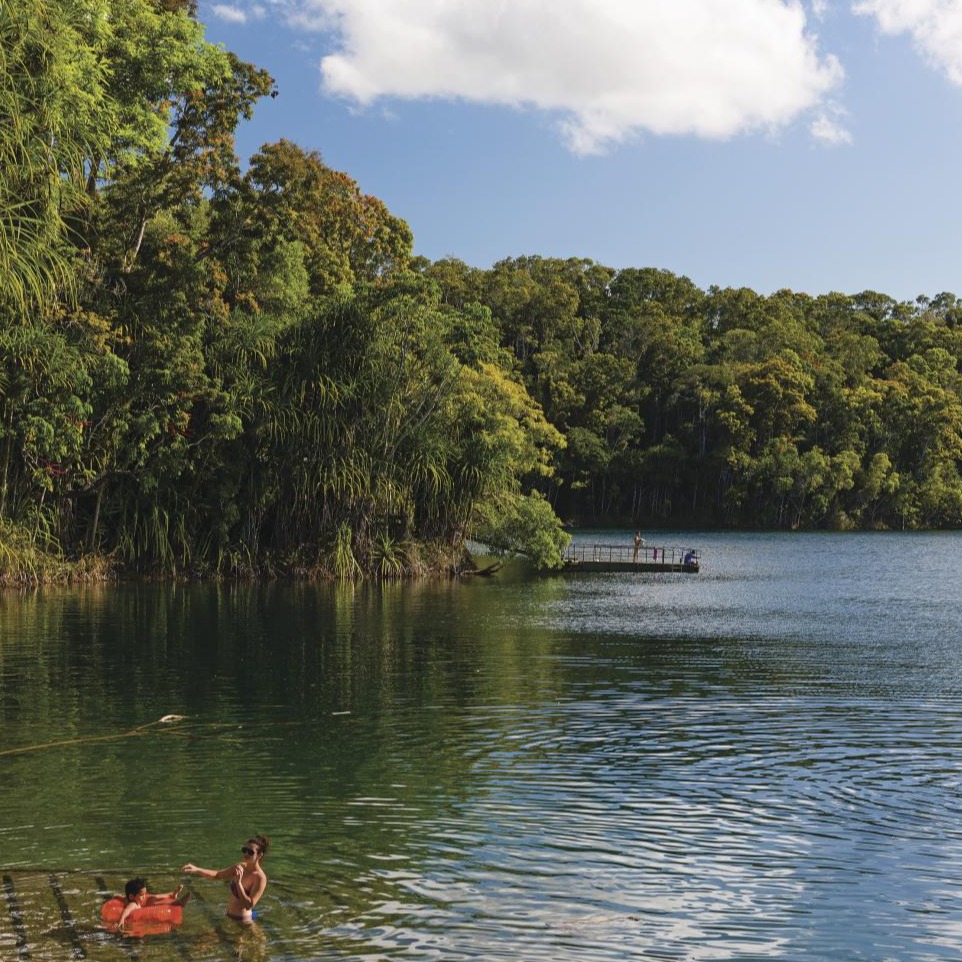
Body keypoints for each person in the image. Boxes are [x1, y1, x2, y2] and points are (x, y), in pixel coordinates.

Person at [182, 834, 269, 922]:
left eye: (250, 852)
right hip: (228, 914)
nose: (246, 853)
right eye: (244, 850)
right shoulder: (241, 866)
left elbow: (249, 905)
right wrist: (196, 869)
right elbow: (218, 875)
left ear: (259, 855)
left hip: (243, 920)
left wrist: (238, 883)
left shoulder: (260, 877)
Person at [115, 877, 189, 928]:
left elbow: (122, 898)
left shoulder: (132, 900)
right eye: (141, 895)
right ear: (131, 897)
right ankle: (177, 903)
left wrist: (116, 897)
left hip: (143, 907)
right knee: (155, 904)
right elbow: (127, 910)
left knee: (152, 898)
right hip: (141, 917)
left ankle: (173, 894)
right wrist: (121, 920)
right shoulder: (133, 904)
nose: (144, 896)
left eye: (144, 894)